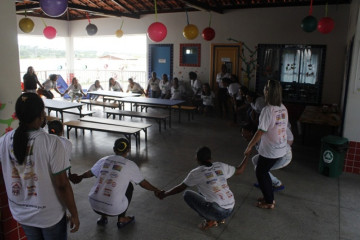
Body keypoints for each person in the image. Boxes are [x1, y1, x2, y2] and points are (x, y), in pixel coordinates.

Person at [0, 93, 79, 239]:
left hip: (21, 213)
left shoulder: (4, 140)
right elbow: (62, 185)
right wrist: (74, 214)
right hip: (48, 215)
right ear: (41, 114)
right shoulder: (53, 143)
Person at [69, 138, 161, 229]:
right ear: (128, 149)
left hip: (94, 204)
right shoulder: (130, 164)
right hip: (114, 209)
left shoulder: (104, 159)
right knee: (129, 186)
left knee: (105, 179)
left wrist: (80, 177)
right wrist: (156, 190)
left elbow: (90, 173)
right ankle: (121, 218)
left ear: (114, 149)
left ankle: (103, 217)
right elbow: (142, 183)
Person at [157, 146, 249, 230]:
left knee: (187, 194)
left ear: (196, 158)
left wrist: (165, 194)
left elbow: (181, 188)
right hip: (231, 208)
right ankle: (221, 219)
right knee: (204, 188)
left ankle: (210, 220)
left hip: (218, 212)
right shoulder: (220, 165)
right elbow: (240, 170)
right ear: (210, 158)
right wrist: (247, 156)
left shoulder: (196, 173)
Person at [244, 79, 288, 209]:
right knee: (262, 171)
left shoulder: (267, 110)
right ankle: (268, 197)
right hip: (280, 147)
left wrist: (249, 145)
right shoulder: (282, 107)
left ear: (268, 92)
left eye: (265, 88)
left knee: (261, 172)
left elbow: (260, 132)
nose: (264, 90)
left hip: (271, 150)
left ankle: (269, 202)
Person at [241, 123, 293, 191]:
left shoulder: (263, 140)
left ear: (251, 132)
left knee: (260, 169)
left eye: (244, 132)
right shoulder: (258, 138)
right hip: (277, 154)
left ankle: (277, 184)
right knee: (255, 161)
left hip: (284, 157)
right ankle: (265, 181)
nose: (242, 135)